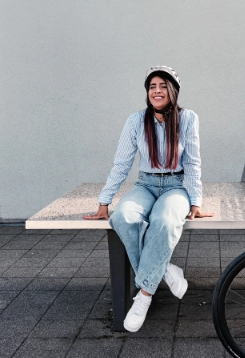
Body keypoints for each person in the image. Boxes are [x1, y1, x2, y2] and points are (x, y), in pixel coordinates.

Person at [83, 65, 213, 332]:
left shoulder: (188, 118)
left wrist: (196, 201)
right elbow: (121, 164)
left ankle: (143, 296)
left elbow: (194, 163)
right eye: (152, 86)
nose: (156, 91)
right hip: (146, 183)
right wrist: (104, 202)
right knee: (123, 217)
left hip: (176, 185)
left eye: (162, 86)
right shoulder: (135, 121)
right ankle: (164, 269)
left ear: (173, 91)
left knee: (165, 221)